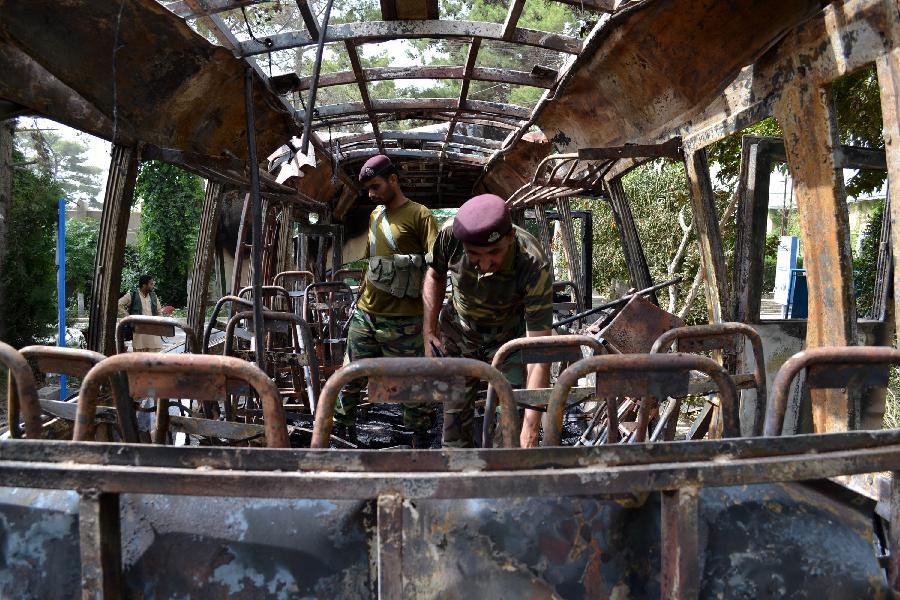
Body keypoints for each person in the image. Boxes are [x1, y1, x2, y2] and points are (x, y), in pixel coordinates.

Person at [423, 193, 553, 448]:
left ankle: (502, 478)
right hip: (460, 334)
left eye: (494, 252)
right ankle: (461, 478)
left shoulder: (532, 263)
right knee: (454, 431)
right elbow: (434, 275)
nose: (485, 264)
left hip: (509, 342)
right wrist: (428, 330)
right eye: (474, 254)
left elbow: (538, 354)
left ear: (510, 238)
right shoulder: (450, 237)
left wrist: (530, 429)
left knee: (510, 437)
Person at [333, 155, 439, 446]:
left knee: (411, 383)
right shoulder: (374, 215)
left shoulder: (421, 216)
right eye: (367, 188)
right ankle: (341, 435)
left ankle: (419, 443)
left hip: (405, 320)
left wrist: (430, 324)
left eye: (376, 186)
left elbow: (436, 268)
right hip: (366, 314)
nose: (371, 194)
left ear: (393, 180)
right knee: (350, 376)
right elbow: (373, 262)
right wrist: (359, 300)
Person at [117, 275, 174, 352]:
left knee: (155, 359)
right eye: (151, 284)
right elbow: (119, 304)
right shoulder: (132, 295)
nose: (153, 286)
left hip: (154, 334)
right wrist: (128, 318)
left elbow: (159, 311)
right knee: (140, 360)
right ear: (144, 285)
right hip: (139, 335)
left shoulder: (153, 296)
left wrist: (160, 324)